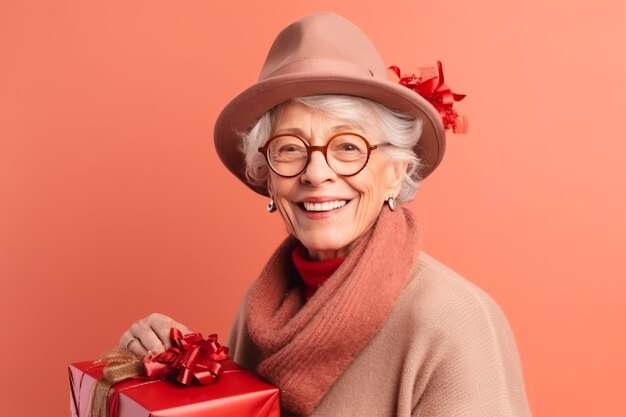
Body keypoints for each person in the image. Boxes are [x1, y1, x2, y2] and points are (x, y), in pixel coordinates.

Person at [118, 12, 532, 417]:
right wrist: (173, 370)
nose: (316, 173)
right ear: (267, 177)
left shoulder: (452, 319)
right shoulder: (261, 310)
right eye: (291, 148)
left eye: (349, 147)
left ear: (395, 173)